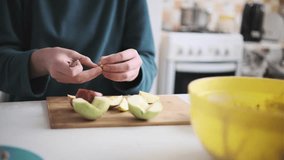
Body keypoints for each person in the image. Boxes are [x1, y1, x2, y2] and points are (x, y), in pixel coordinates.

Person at [0, 0, 157, 101]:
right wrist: (39, 62)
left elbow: (147, 61)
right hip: (30, 121)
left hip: (109, 120)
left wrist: (134, 72)